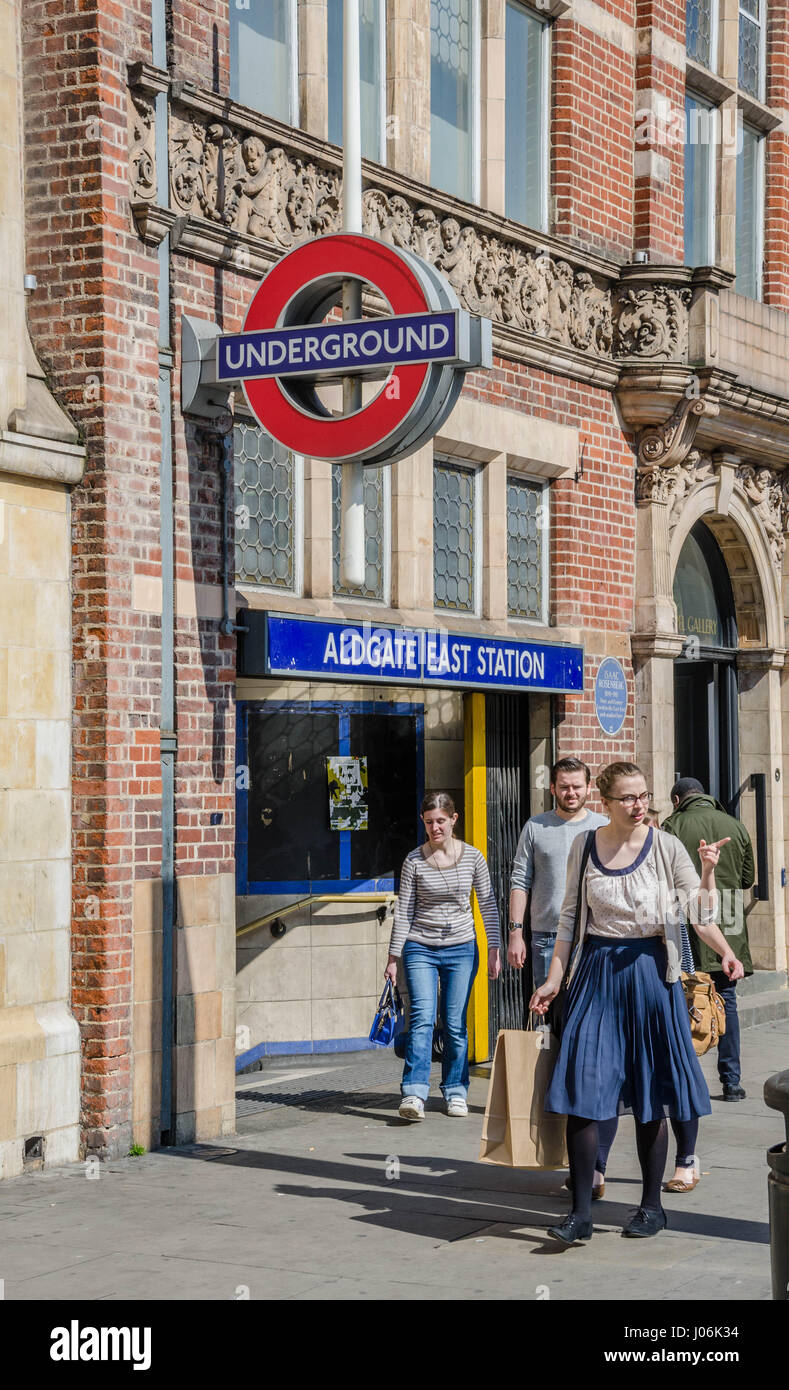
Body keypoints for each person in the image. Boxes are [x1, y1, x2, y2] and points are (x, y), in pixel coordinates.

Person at [530, 762, 744, 1245]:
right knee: (584, 1091)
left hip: (652, 975)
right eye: (627, 797)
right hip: (596, 974)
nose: (639, 804)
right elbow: (568, 922)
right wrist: (553, 981)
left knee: (652, 1095)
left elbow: (700, 913)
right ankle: (580, 1212)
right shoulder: (585, 847)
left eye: (643, 795)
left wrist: (709, 876)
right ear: (603, 802)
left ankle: (651, 1207)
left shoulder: (667, 847)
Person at [508, 756, 613, 1197]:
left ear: (589, 787)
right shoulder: (536, 827)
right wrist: (516, 932)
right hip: (546, 942)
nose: (571, 792)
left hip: (593, 943)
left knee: (590, 1045)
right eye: (563, 786)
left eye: (577, 786)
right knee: (554, 1043)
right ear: (552, 788)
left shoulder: (605, 827)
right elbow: (519, 880)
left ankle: (595, 1164)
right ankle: (563, 1148)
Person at [385, 792, 501, 1122]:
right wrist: (393, 958)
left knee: (453, 1022)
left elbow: (488, 905)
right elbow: (404, 911)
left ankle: (455, 1090)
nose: (434, 828)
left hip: (462, 947)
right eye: (428, 822)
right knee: (421, 1017)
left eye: (440, 821)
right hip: (420, 946)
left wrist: (494, 948)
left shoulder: (473, 858)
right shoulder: (414, 861)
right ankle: (414, 1092)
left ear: (454, 819)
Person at [662, 778, 755, 1108]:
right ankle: (732, 1082)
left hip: (689, 925)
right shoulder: (736, 826)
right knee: (726, 1000)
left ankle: (688, 1078)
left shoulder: (671, 825)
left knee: (687, 1000)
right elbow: (747, 879)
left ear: (677, 799)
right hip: (727, 925)